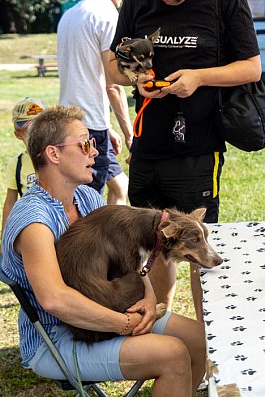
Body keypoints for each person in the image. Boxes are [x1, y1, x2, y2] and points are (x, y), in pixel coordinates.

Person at [1, 105, 207, 397]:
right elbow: (54, 300)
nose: (95, 150)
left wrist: (149, 301)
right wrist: (124, 323)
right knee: (173, 355)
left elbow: (132, 259)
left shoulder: (87, 197)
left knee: (199, 341)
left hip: (112, 307)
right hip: (57, 338)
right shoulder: (34, 222)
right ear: (53, 154)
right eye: (84, 144)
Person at [108, 0, 261, 319]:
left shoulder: (225, 3)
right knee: (154, 245)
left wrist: (199, 78)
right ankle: (160, 321)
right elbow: (112, 66)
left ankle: (210, 333)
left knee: (200, 247)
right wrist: (137, 78)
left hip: (198, 149)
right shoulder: (136, 3)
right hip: (147, 149)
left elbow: (251, 67)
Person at [57, 0, 132, 204]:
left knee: (120, 185)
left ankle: (110, 235)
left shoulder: (70, 15)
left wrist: (107, 127)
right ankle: (91, 237)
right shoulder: (107, 16)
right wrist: (129, 134)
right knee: (88, 204)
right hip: (89, 129)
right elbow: (113, 85)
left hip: (69, 121)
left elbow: (83, 75)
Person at [0, 97, 47, 246]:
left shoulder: (60, 156)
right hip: (34, 230)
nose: (37, 136)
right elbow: (10, 202)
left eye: (41, 129)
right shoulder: (17, 164)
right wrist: (4, 244)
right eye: (30, 131)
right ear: (19, 134)